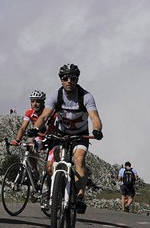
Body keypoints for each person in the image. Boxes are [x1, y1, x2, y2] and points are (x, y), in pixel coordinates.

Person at [29, 64, 103, 214]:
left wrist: (97, 130)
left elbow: (95, 117)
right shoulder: (55, 96)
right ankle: (53, 193)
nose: (69, 81)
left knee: (79, 159)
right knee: (50, 166)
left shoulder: (86, 96)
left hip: (80, 135)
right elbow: (44, 116)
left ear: (77, 79)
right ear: (61, 80)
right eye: (65, 78)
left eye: (73, 78)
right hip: (60, 134)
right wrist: (36, 128)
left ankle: (80, 197)